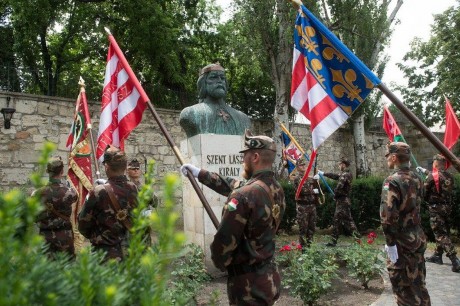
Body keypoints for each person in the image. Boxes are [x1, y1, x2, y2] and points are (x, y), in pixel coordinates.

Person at [180, 130, 286, 305]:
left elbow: (223, 241)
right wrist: (200, 173)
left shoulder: (243, 196)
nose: (242, 160)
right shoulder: (276, 188)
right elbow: (235, 185)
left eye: (245, 156)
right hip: (268, 276)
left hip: (248, 286)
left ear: (255, 157)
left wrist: (222, 263)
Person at [380, 142, 431, 306]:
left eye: (388, 156)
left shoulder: (392, 181)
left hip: (402, 244)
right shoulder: (417, 177)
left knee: (405, 294)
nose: (387, 159)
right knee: (419, 288)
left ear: (394, 157)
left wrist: (390, 243)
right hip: (417, 239)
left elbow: (387, 217)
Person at [78, 146, 138, 261]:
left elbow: (83, 224)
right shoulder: (134, 188)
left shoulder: (98, 191)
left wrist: (98, 237)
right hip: (128, 253)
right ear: (125, 167)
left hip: (104, 254)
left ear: (106, 166)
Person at [179, 63, 251, 138]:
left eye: (222, 78)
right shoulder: (190, 113)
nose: (220, 81)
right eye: (213, 77)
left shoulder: (243, 118)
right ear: (203, 83)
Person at [417, 154, 460, 273]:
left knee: (440, 234)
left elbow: (424, 193)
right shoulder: (450, 176)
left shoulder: (432, 176)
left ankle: (454, 259)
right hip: (447, 207)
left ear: (436, 163)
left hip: (436, 208)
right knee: (444, 230)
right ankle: (437, 255)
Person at [33, 156, 78, 258]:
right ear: (62, 171)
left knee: (46, 270)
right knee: (66, 268)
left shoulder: (37, 193)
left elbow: (34, 216)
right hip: (64, 237)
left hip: (45, 238)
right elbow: (75, 198)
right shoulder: (70, 192)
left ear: (47, 171)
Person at [316, 157, 358, 246]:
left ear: (343, 165)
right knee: (342, 220)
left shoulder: (345, 174)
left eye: (340, 164)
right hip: (343, 200)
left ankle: (356, 239)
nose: (339, 166)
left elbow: (340, 186)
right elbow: (335, 176)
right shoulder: (345, 174)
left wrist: (335, 194)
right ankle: (335, 241)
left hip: (342, 201)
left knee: (343, 220)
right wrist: (323, 173)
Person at [290, 158, 321, 249]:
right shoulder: (297, 179)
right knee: (303, 228)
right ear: (297, 167)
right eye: (301, 165)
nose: (303, 166)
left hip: (312, 205)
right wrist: (313, 191)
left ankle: (310, 247)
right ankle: (303, 249)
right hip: (302, 206)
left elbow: (317, 189)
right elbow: (303, 191)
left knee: (312, 228)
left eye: (304, 165)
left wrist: (316, 181)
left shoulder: (310, 178)